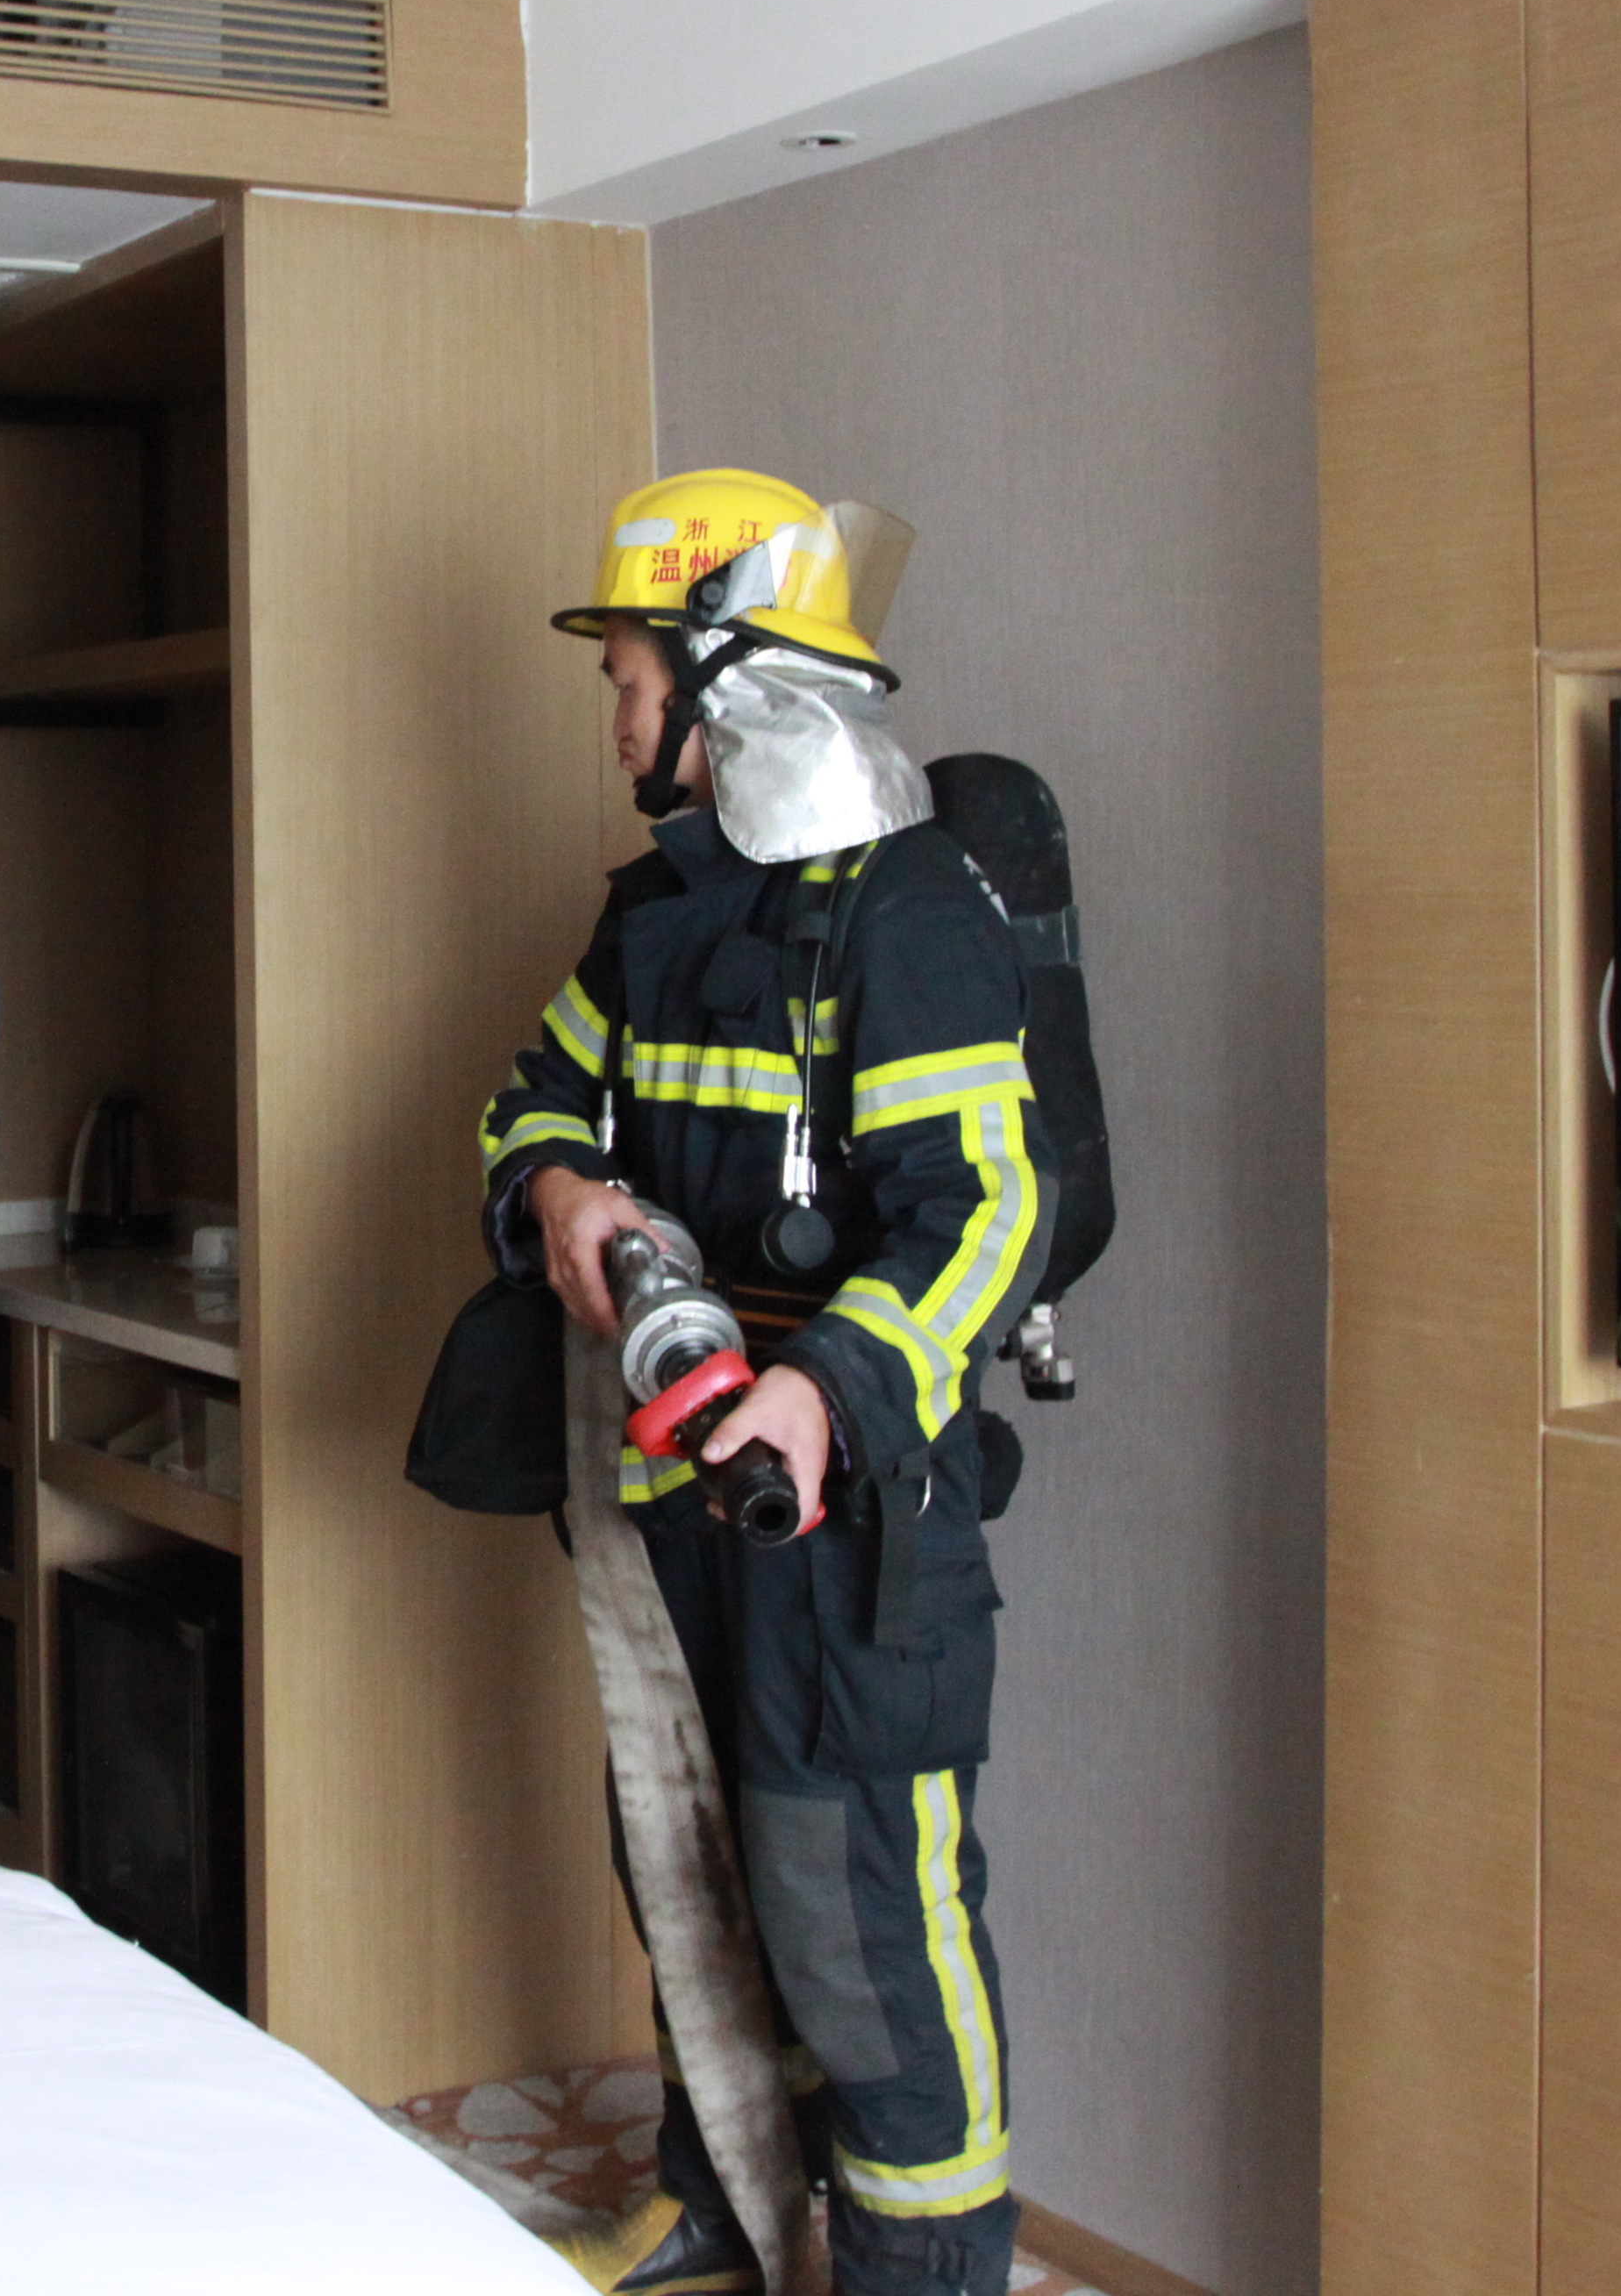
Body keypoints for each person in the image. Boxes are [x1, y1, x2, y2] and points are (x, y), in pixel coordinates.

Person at [481, 469, 1043, 2296]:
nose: (616, 715)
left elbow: (988, 1208)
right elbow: (532, 1096)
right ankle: (725, 2199)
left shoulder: (909, 911)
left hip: (847, 1516)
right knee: (694, 1862)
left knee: (856, 1918)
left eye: (632, 676)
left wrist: (821, 1394)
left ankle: (920, 2272)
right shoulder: (662, 909)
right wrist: (563, 1194)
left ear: (724, 678)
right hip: (676, 1488)